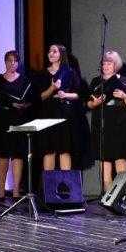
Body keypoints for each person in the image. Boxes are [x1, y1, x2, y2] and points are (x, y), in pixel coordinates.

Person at [87, 50, 126, 191]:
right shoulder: (96, 82)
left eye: (110, 63)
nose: (106, 66)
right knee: (105, 160)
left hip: (119, 124)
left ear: (116, 65)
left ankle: (122, 195)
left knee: (120, 158)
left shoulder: (123, 80)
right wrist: (95, 103)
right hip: (102, 124)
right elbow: (88, 103)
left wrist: (124, 96)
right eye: (104, 63)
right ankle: (107, 195)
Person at [0, 50, 34, 200]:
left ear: (18, 63)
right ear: (5, 62)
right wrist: (7, 101)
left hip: (18, 118)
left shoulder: (24, 80)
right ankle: (1, 190)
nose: (12, 63)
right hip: (2, 118)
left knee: (17, 154)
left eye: (15, 61)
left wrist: (23, 105)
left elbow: (30, 99)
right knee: (2, 154)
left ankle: (15, 190)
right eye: (9, 60)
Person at [36, 43, 80, 172]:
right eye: (49, 51)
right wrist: (52, 88)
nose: (51, 53)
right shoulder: (43, 74)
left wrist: (66, 95)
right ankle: (49, 183)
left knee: (64, 149)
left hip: (63, 112)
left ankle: (65, 183)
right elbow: (39, 97)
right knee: (49, 149)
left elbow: (78, 94)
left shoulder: (69, 72)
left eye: (54, 51)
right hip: (47, 112)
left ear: (61, 54)